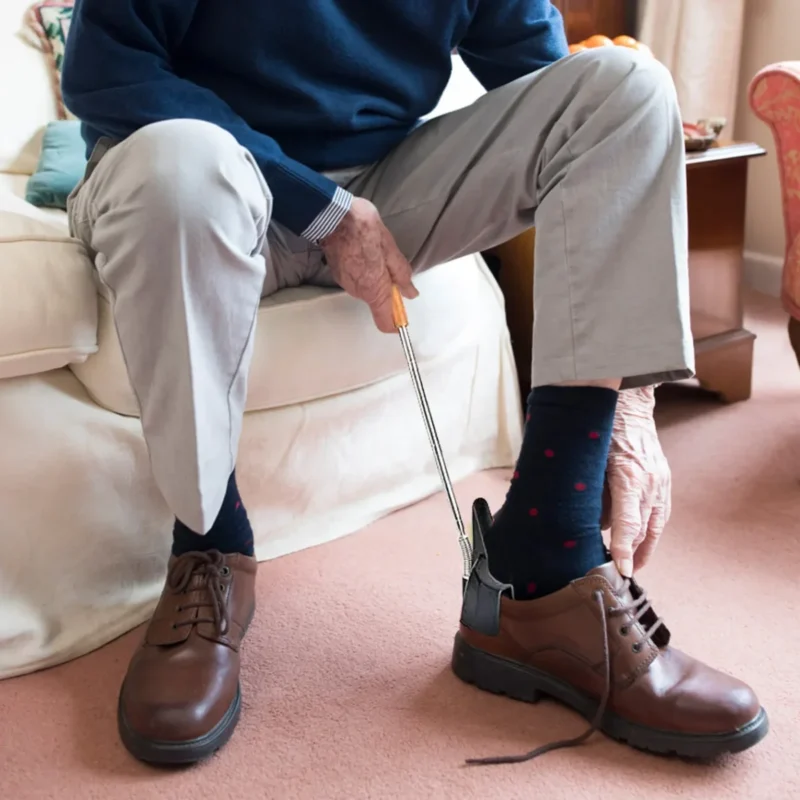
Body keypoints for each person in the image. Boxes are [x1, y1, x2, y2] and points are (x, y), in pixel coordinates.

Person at [61, 0, 768, 767]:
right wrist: (325, 212)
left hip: (381, 189)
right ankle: (208, 550)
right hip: (195, 179)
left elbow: (562, 101)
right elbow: (106, 71)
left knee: (625, 87)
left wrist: (632, 396)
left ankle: (546, 569)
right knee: (182, 166)